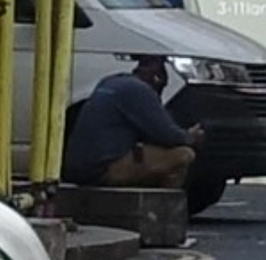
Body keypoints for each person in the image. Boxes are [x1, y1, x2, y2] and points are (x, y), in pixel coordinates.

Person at [66, 54, 204, 191]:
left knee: (148, 153)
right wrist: (190, 136)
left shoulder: (111, 81)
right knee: (184, 154)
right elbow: (169, 135)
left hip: (78, 167)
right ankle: (160, 207)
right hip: (102, 170)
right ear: (157, 78)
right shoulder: (140, 90)